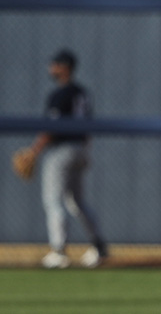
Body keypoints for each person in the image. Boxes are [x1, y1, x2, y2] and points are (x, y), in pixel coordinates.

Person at [19, 50, 109, 269]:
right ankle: (99, 247)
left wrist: (33, 151)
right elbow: (87, 126)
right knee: (77, 202)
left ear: (65, 67)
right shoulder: (82, 93)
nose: (51, 68)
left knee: (53, 200)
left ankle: (59, 251)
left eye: (55, 64)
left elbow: (51, 128)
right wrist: (84, 152)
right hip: (80, 149)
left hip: (61, 151)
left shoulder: (60, 95)